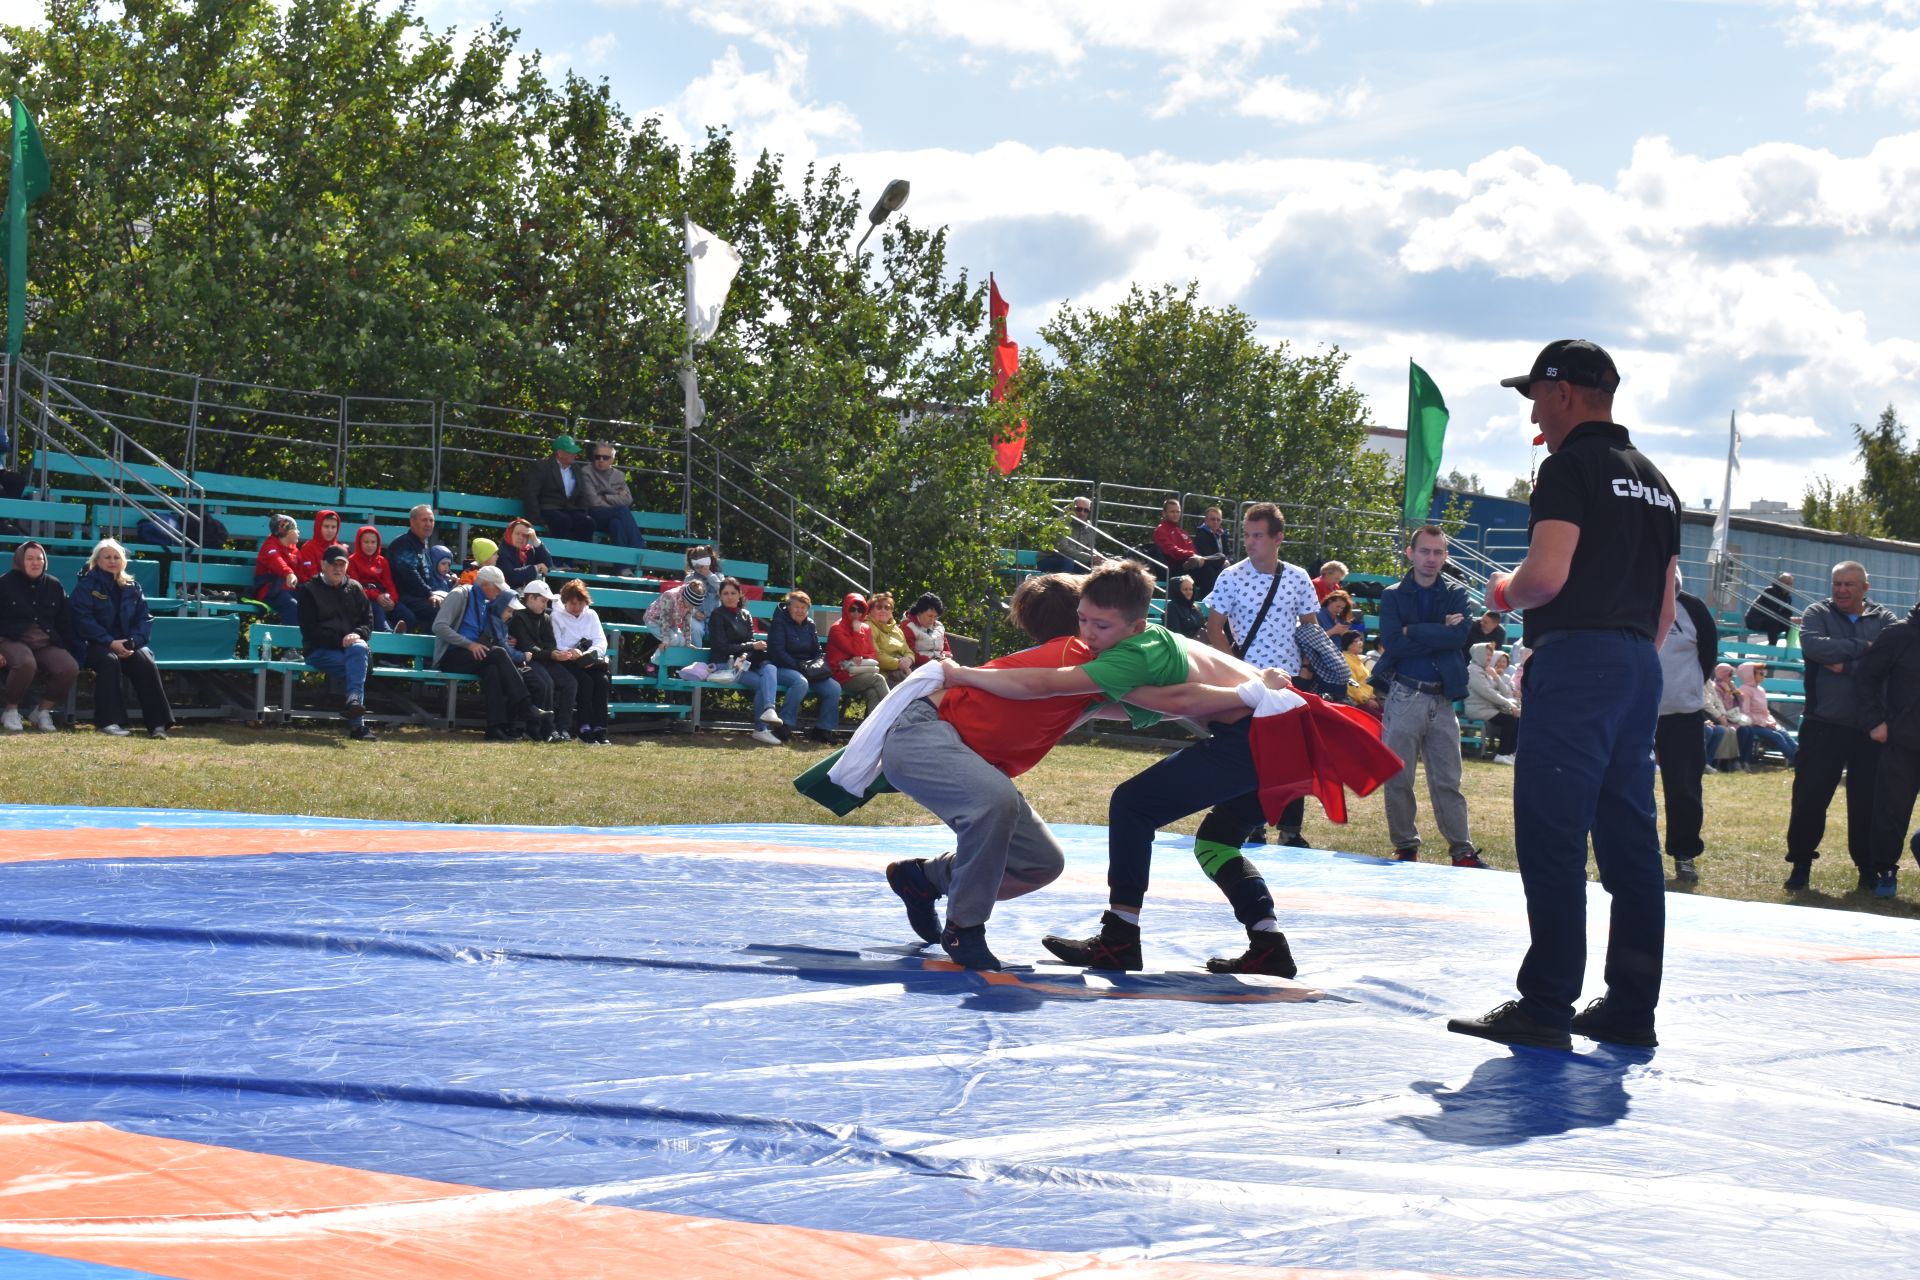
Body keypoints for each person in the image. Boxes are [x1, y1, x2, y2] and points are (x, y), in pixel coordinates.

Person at [939, 559, 1398, 976]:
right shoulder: (1152, 642)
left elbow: (1047, 682)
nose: (1088, 634)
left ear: (1134, 623)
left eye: (1100, 624)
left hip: (1258, 737)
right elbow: (1150, 704)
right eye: (1082, 620)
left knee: (1133, 804)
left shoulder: (1133, 653)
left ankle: (1119, 937)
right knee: (1218, 841)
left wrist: (964, 675)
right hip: (1283, 732)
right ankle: (1269, 943)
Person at [1448, 337, 1679, 1053]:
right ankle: (1630, 1007)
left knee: (1552, 833)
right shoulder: (1656, 481)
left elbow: (1543, 579)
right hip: (1639, 662)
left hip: (1579, 661)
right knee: (1628, 840)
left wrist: (1499, 592)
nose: (1533, 419)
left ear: (1565, 392)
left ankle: (1546, 1002)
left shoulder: (1568, 467)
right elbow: (1667, 605)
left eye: (1536, 399)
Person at [1202, 502, 1345, 846]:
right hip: (1246, 680)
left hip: (1289, 680)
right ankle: (1248, 823)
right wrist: (1232, 667)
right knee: (1246, 752)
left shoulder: (1297, 577)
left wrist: (1312, 670)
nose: (1250, 542)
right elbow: (1214, 627)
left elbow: (1310, 627)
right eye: (1247, 535)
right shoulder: (1231, 576)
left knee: (1292, 756)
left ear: (1278, 538)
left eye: (1258, 535)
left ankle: (1290, 829)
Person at [1370, 526, 1483, 865]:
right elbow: (1394, 641)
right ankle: (1406, 846)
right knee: (1398, 777)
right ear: (1411, 553)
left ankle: (1462, 851)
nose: (1431, 558)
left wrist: (1414, 629)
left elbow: (1458, 637)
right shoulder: (1392, 595)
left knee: (1449, 781)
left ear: (1446, 556)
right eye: (1425, 551)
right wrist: (1439, 630)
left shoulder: (1457, 595)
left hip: (1443, 697)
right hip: (1405, 693)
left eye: (1438, 552)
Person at [1783, 561, 1893, 892]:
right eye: (1837, 584)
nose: (1842, 590)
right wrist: (1865, 650)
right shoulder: (1817, 612)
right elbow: (1814, 646)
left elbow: (1888, 658)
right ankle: (1800, 863)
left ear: (1865, 589)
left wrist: (1842, 665)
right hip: (1823, 725)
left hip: (1869, 727)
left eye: (1849, 584)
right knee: (1809, 800)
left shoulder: (1885, 618)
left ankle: (1868, 870)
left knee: (1867, 804)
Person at [70, 538, 176, 739]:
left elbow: (144, 619)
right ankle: (108, 722)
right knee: (109, 661)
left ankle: (157, 725)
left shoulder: (132, 587)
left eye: (116, 557)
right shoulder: (86, 585)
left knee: (145, 660)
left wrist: (133, 642)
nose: (112, 561)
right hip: (92, 644)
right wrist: (109, 642)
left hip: (126, 643)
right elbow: (82, 619)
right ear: (97, 561)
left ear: (123, 561)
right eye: (107, 557)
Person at [1652, 577, 1719, 882]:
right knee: (1624, 787)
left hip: (1683, 715)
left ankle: (1684, 854)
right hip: (1632, 712)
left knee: (1684, 789)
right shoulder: (1629, 600)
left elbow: (1707, 657)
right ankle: (1632, 852)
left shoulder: (1693, 608)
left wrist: (1685, 691)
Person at [432, 565, 543, 741]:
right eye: (497, 588)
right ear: (485, 584)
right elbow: (439, 626)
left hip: (473, 656)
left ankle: (494, 728)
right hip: (452, 655)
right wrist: (469, 645)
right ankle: (526, 706)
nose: (499, 592)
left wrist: (505, 639)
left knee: (493, 671)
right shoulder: (460, 594)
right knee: (498, 654)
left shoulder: (485, 602)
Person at [1857, 601, 1920, 897]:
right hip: (1902, 739)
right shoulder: (1899, 634)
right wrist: (1875, 721)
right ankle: (1884, 870)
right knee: (1891, 810)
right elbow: (1866, 677)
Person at [297, 545, 375, 741]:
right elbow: (310, 631)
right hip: (319, 651)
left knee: (358, 649)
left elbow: (368, 622)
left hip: (352, 652)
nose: (338, 568)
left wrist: (356, 634)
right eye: (334, 564)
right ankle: (358, 727)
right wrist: (341, 641)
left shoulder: (355, 588)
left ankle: (353, 702)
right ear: (323, 564)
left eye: (342, 564)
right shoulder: (308, 590)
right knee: (357, 665)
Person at [0, 541, 78, 733]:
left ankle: (42, 711)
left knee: (69, 667)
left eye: (39, 558)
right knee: (26, 663)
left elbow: (64, 620)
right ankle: (10, 709)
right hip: (11, 639)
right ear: (20, 560)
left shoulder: (54, 584)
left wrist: (68, 647)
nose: (36, 562)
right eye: (30, 558)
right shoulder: (4, 583)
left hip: (45, 641)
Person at [707, 576, 781, 746]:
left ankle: (769, 710)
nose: (730, 596)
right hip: (724, 663)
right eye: (725, 593)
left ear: (740, 594)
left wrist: (746, 655)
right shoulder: (717, 615)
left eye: (733, 592)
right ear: (720, 596)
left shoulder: (746, 614)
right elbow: (722, 647)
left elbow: (750, 644)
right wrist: (750, 647)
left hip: (743, 662)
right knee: (762, 683)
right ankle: (760, 729)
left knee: (770, 669)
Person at [766, 588, 841, 743]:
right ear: (789, 607)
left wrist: (815, 666)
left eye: (803, 607)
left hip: (807, 669)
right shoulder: (779, 622)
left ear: (808, 609)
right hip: (782, 667)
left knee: (834, 688)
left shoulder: (810, 624)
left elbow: (817, 651)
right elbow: (777, 652)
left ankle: (822, 730)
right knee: (800, 682)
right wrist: (799, 667)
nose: (800, 610)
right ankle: (784, 727)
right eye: (796, 607)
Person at [508, 579, 573, 742]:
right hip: (527, 661)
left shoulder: (545, 618)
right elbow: (526, 646)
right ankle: (541, 730)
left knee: (570, 682)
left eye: (546, 601)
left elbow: (550, 643)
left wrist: (554, 654)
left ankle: (562, 728)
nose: (545, 605)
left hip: (544, 660)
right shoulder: (518, 616)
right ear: (530, 598)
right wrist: (551, 654)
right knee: (545, 684)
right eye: (542, 601)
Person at [552, 579, 613, 745]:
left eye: (580, 603)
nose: (577, 607)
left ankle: (600, 728)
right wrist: (571, 652)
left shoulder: (591, 615)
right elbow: (557, 642)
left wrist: (589, 654)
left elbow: (600, 641)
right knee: (585, 682)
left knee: (602, 681)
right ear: (565, 601)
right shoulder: (556, 616)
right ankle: (583, 727)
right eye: (573, 604)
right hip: (568, 661)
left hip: (590, 660)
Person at [519, 434, 593, 542]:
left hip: (570, 510)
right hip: (549, 509)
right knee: (563, 521)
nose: (575, 455)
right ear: (560, 453)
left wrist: (583, 512)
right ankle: (556, 557)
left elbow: (582, 494)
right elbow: (531, 493)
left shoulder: (576, 469)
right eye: (571, 452)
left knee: (587, 522)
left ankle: (577, 557)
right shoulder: (542, 466)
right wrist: (536, 519)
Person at [575, 441, 647, 549]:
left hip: (612, 516)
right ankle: (638, 546)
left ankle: (623, 566)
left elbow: (628, 499)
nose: (601, 460)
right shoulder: (586, 472)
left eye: (605, 457)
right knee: (621, 510)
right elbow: (593, 502)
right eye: (598, 457)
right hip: (592, 515)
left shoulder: (619, 475)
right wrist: (615, 493)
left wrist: (605, 496)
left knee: (616, 523)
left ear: (612, 460)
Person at [826, 592, 890, 714]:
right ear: (845, 609)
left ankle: (873, 730)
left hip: (861, 672)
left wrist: (861, 657)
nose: (856, 614)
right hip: (842, 675)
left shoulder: (866, 628)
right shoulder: (837, 629)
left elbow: (872, 654)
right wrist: (857, 631)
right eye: (852, 609)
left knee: (873, 693)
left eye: (860, 610)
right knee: (878, 679)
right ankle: (896, 713)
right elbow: (855, 650)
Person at [345, 525, 412, 634]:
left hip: (384, 599)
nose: (370, 546)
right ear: (359, 543)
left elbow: (390, 584)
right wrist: (376, 597)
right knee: (377, 610)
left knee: (407, 616)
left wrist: (392, 601)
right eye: (366, 542)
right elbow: (355, 586)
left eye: (373, 542)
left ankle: (398, 640)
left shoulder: (382, 561)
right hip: (365, 600)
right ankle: (388, 634)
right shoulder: (352, 561)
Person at [1733, 663, 1798, 767]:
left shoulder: (1760, 689)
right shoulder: (1745, 690)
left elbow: (1765, 711)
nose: (1764, 675)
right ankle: (1799, 763)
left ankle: (1803, 759)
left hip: (1765, 723)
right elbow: (1745, 713)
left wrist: (1771, 721)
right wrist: (1765, 723)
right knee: (1778, 736)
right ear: (1750, 674)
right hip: (1752, 725)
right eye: (1761, 673)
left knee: (1785, 734)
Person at [386, 505, 444, 623]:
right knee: (439, 608)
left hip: (420, 596)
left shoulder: (423, 546)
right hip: (403, 597)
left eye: (431, 520)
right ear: (412, 522)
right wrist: (429, 594)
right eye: (424, 520)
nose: (428, 524)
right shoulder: (403, 544)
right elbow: (409, 575)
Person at [1465, 641, 1520, 763]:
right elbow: (1489, 693)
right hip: (1477, 709)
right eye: (1487, 655)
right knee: (1509, 719)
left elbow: (1500, 691)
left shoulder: (1483, 670)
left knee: (1515, 718)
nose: (1490, 658)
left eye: (1491, 655)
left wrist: (1496, 677)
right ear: (1479, 654)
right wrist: (1509, 704)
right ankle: (1501, 754)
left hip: (1487, 708)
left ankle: (1510, 753)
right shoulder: (1473, 671)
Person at [253, 513, 303, 625]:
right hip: (270, 591)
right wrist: (289, 573)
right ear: (286, 532)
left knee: (311, 603)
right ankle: (290, 642)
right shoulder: (269, 546)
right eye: (295, 529)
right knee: (292, 605)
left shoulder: (294, 550)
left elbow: (301, 572)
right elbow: (276, 561)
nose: (298, 532)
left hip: (289, 591)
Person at [1038, 497, 1100, 573]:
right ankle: (1063, 584)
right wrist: (1089, 557)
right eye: (1079, 509)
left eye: (1086, 510)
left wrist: (1098, 556)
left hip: (1074, 559)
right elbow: (1063, 549)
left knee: (1095, 565)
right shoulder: (1061, 523)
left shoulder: (1088, 527)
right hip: (1049, 558)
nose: (1082, 513)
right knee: (1068, 561)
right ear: (1071, 509)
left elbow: (1089, 548)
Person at [1703, 663, 1748, 767]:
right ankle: (1711, 762)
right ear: (1722, 674)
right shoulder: (1717, 686)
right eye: (1730, 674)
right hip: (1712, 716)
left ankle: (1737, 761)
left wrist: (1733, 690)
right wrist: (1721, 716)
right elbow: (1708, 704)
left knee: (1745, 730)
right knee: (1724, 730)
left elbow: (1719, 702)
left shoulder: (1709, 682)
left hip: (1726, 717)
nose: (1732, 677)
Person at [1150, 499, 1207, 579]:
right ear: (1164, 513)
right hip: (1175, 569)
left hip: (1190, 565)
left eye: (1178, 512)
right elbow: (1172, 551)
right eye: (1172, 512)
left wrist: (1192, 555)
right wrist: (1191, 555)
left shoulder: (1182, 532)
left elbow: (1192, 549)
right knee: (1210, 567)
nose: (1176, 514)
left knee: (1216, 562)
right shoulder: (1160, 531)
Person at [643, 576, 706, 648]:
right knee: (673, 640)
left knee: (682, 641)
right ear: (685, 598)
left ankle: (667, 657)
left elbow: (687, 621)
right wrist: (666, 639)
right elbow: (665, 619)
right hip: (654, 621)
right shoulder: (670, 596)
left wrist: (688, 642)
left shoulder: (689, 604)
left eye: (693, 606)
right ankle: (657, 659)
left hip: (671, 623)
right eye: (690, 605)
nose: (690, 608)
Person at [868, 591, 914, 687]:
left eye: (887, 607)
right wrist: (899, 664)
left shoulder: (897, 629)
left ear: (891, 611)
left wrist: (909, 660)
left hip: (902, 671)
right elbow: (875, 655)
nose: (883, 610)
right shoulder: (868, 627)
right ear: (871, 611)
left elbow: (908, 651)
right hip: (882, 673)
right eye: (879, 607)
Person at [497, 519, 554, 591]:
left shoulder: (528, 550)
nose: (520, 537)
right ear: (510, 534)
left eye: (524, 535)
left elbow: (548, 565)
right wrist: (535, 568)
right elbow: (511, 577)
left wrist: (535, 540)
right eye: (517, 533)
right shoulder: (502, 552)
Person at [294, 509, 345, 584]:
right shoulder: (308, 548)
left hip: (337, 587)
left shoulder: (341, 549)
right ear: (318, 527)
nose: (330, 530)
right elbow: (311, 576)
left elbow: (346, 575)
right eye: (326, 526)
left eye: (333, 527)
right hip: (313, 588)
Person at [1745, 572, 1796, 645]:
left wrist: (1792, 620)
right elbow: (1771, 612)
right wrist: (1788, 619)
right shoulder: (1770, 591)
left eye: (1791, 584)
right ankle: (1772, 648)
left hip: (1769, 621)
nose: (1790, 586)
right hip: (1755, 620)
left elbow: (1788, 614)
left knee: (1791, 625)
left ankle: (1789, 648)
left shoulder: (1788, 598)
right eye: (1787, 583)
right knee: (1774, 621)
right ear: (1780, 583)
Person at [1190, 505, 1230, 596]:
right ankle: (1206, 599)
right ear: (1206, 520)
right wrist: (1222, 560)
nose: (1216, 522)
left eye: (1218, 520)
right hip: (1203, 569)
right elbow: (1206, 554)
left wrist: (1228, 561)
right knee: (1210, 569)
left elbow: (1230, 553)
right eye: (1213, 519)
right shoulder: (1202, 535)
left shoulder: (1222, 535)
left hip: (1220, 566)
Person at [903, 592, 952, 665]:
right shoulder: (908, 626)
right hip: (920, 667)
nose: (933, 620)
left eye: (936, 617)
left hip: (941, 664)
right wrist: (935, 662)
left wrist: (946, 655)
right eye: (930, 616)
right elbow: (910, 654)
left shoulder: (939, 626)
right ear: (919, 612)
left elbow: (947, 650)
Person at [1340, 632, 1377, 713]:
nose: (1361, 643)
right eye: (1357, 641)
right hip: (1358, 703)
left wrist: (1371, 697)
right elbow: (1352, 683)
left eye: (1361, 640)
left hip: (1368, 699)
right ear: (1348, 644)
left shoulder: (1357, 659)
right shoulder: (1346, 661)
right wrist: (1366, 700)